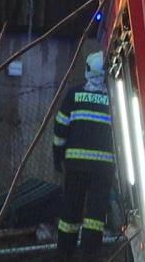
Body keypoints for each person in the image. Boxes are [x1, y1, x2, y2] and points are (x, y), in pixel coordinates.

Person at [52, 51, 115, 258]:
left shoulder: (73, 95)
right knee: (95, 217)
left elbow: (60, 129)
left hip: (75, 167)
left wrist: (57, 157)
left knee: (70, 213)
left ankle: (64, 254)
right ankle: (90, 255)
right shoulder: (114, 99)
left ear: (88, 70)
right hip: (103, 169)